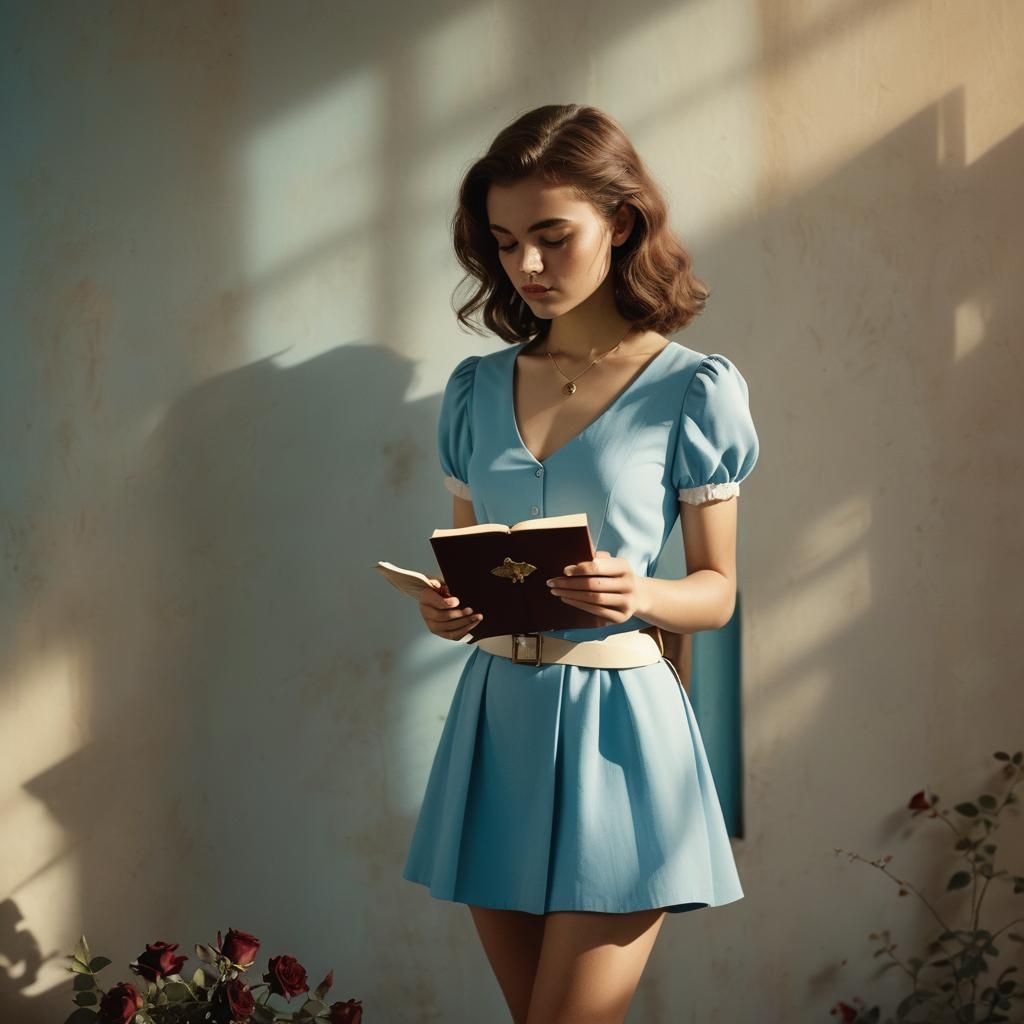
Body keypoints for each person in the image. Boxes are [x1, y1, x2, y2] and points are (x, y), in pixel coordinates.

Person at [401, 103, 760, 1024]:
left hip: (625, 733)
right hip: (494, 724)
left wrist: (639, 590)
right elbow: (474, 558)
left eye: (552, 237)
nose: (525, 266)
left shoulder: (694, 388)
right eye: (506, 240)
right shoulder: (474, 390)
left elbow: (718, 593)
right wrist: (451, 609)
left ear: (622, 223)